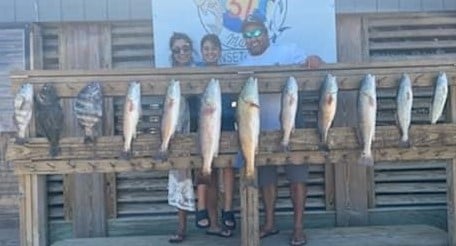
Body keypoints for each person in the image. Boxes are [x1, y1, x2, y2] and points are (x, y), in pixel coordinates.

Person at [238, 15, 324, 246]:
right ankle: (269, 224)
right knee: (267, 181)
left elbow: (310, 63)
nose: (252, 38)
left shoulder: (287, 51)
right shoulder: (242, 66)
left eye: (256, 33)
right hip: (259, 132)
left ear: (266, 34)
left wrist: (314, 60)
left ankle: (298, 228)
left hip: (291, 128)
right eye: (247, 35)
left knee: (297, 179)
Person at [195, 34, 236, 238]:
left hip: (226, 124)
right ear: (201, 52)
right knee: (208, 171)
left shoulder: (228, 73)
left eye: (214, 48)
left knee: (228, 168)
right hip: (204, 126)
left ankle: (228, 210)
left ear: (220, 51)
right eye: (206, 49)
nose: (210, 52)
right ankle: (212, 221)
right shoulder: (195, 73)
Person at [167, 32, 196, 244]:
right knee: (180, 178)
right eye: (177, 49)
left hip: (202, 127)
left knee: (210, 178)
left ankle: (213, 221)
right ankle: (181, 226)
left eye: (185, 48)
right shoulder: (168, 77)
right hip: (179, 131)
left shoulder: (201, 71)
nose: (182, 53)